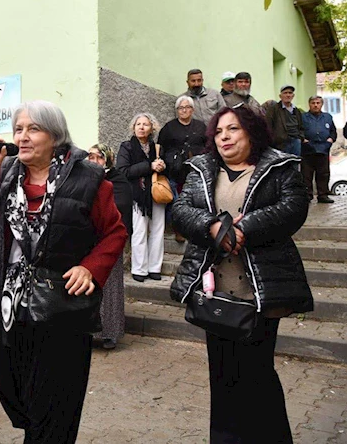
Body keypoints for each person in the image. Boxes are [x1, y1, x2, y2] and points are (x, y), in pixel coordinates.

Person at [0, 101, 126, 443]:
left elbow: (114, 232)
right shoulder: (4, 172)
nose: (22, 137)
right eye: (18, 129)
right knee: (14, 393)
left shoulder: (88, 178)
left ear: (56, 136)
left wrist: (91, 268)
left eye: (32, 129)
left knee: (55, 407)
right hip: (8, 309)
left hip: (61, 310)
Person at [170, 105, 313, 443]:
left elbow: (294, 206)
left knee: (257, 374)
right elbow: (180, 209)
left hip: (261, 291)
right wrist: (212, 225)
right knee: (221, 376)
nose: (225, 138)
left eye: (232, 129)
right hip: (215, 291)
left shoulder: (278, 166)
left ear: (251, 132)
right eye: (219, 132)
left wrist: (246, 228)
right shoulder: (202, 168)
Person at [87, 143, 132, 350]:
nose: (93, 161)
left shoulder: (117, 181)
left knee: (111, 287)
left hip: (109, 241)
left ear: (108, 160)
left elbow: (119, 209)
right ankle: (89, 329)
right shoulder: (85, 178)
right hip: (88, 241)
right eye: (90, 157)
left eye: (98, 157)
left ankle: (110, 333)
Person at [117, 113, 166, 283]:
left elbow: (163, 167)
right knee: (139, 231)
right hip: (138, 195)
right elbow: (123, 171)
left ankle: (154, 268)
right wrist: (149, 166)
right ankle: (139, 269)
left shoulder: (156, 148)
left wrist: (161, 166)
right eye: (138, 124)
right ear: (133, 127)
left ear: (152, 128)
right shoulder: (127, 147)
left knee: (158, 231)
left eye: (146, 124)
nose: (141, 127)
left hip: (156, 193)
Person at [158, 96, 207, 189]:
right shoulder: (169, 127)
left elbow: (208, 145)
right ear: (177, 110)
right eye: (181, 108)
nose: (184, 110)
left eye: (187, 107)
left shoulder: (201, 126)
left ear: (192, 110)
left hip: (197, 170)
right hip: (175, 172)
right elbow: (161, 146)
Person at [302, 96, 337, 204]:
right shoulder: (303, 117)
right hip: (308, 151)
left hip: (323, 150)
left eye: (318, 103)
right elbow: (299, 130)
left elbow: (333, 131)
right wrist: (303, 140)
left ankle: (323, 195)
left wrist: (331, 140)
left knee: (323, 174)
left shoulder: (328, 117)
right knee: (306, 175)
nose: (315, 105)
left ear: (322, 104)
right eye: (313, 103)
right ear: (309, 104)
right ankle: (307, 195)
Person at [265, 85, 305, 156]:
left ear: (293, 96)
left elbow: (301, 126)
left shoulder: (296, 111)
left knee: (295, 164)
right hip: (281, 144)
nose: (288, 95)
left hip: (296, 142)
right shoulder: (273, 109)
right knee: (283, 165)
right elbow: (268, 126)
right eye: (285, 93)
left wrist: (300, 138)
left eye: (290, 93)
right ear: (280, 96)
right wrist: (274, 140)